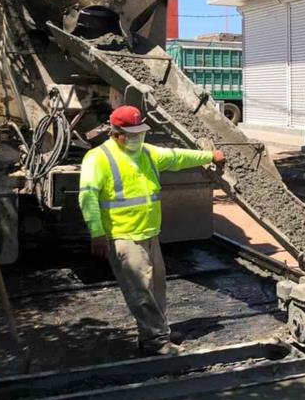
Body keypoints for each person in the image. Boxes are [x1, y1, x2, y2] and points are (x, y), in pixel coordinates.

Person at [79, 106, 225, 356]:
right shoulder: (98, 158)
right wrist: (98, 233)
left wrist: (209, 156)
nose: (138, 138)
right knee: (140, 291)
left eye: (140, 132)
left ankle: (157, 333)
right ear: (116, 133)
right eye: (132, 133)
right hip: (123, 236)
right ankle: (156, 343)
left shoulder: (146, 152)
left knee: (157, 286)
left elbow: (177, 157)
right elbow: (88, 197)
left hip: (149, 232)